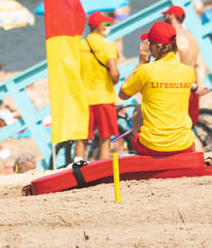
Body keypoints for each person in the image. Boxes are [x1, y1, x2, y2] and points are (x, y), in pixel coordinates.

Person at [119, 22, 199, 158]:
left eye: (149, 43)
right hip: (183, 145)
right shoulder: (188, 72)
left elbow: (123, 95)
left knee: (138, 109)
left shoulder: (146, 71)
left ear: (155, 47)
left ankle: (145, 158)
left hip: (151, 147)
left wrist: (140, 63)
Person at [81, 12, 120, 162]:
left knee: (81, 139)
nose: (108, 27)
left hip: (83, 99)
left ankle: (78, 165)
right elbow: (114, 73)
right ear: (99, 27)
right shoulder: (108, 46)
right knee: (105, 139)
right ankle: (103, 168)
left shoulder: (79, 46)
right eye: (106, 24)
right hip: (103, 97)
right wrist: (114, 79)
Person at [160, 5, 210, 122]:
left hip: (179, 88)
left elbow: (175, 67)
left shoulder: (173, 37)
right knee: (188, 129)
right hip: (193, 88)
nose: (163, 17)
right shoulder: (191, 37)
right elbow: (199, 65)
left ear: (171, 16)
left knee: (173, 129)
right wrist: (198, 87)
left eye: (165, 15)